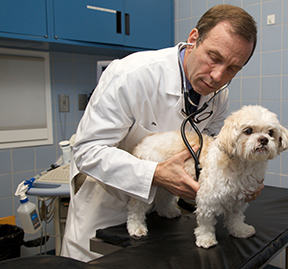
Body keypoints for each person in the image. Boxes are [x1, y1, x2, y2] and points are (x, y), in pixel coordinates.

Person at [61, 5, 258, 262]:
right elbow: (87, 152)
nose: (218, 76)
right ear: (193, 39)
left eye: (233, 68)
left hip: (164, 218)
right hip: (108, 214)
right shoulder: (130, 75)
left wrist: (238, 180)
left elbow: (205, 154)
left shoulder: (219, 96)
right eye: (214, 57)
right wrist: (154, 174)